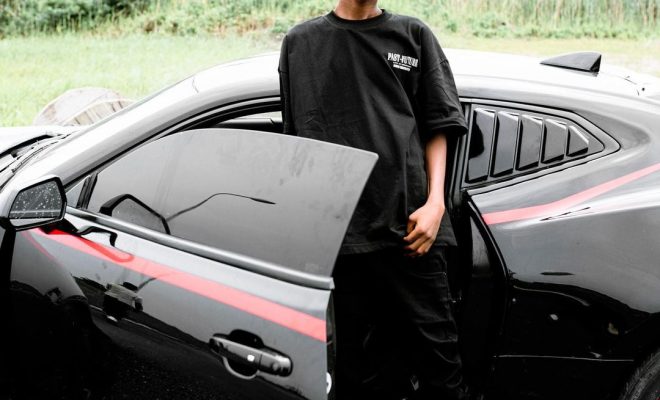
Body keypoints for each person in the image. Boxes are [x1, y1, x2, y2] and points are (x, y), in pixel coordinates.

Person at [278, 1, 471, 398]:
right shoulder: (300, 43)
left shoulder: (413, 36)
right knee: (354, 374)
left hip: (412, 233)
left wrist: (436, 204)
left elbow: (440, 123)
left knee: (441, 370)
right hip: (338, 241)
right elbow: (295, 142)